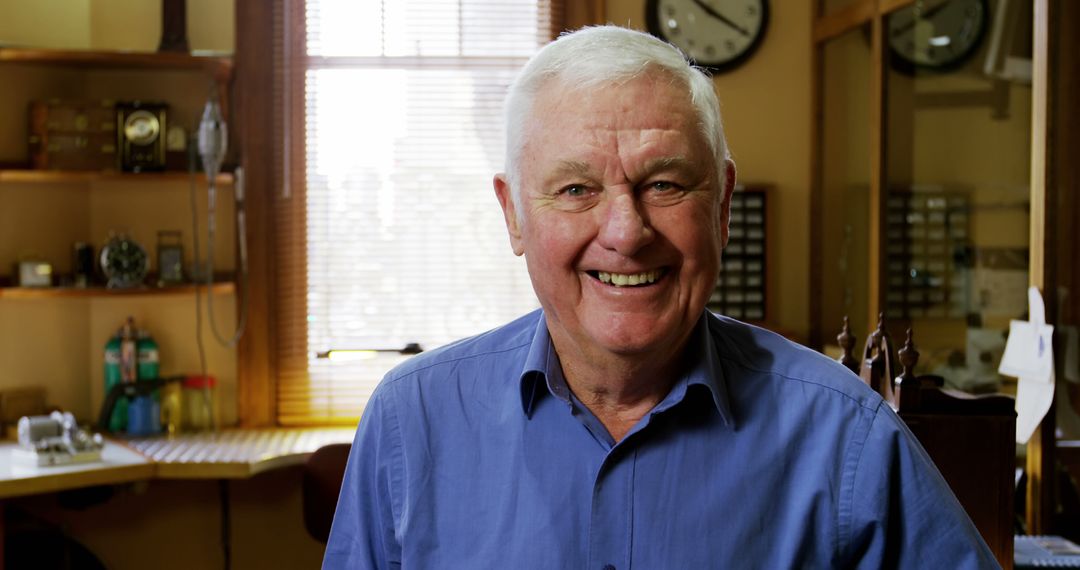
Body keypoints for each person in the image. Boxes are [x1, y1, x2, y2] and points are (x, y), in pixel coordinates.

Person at [324, 25, 998, 569]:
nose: (626, 232)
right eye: (576, 189)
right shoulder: (409, 424)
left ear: (724, 203)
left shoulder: (849, 437)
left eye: (666, 184)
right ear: (512, 217)